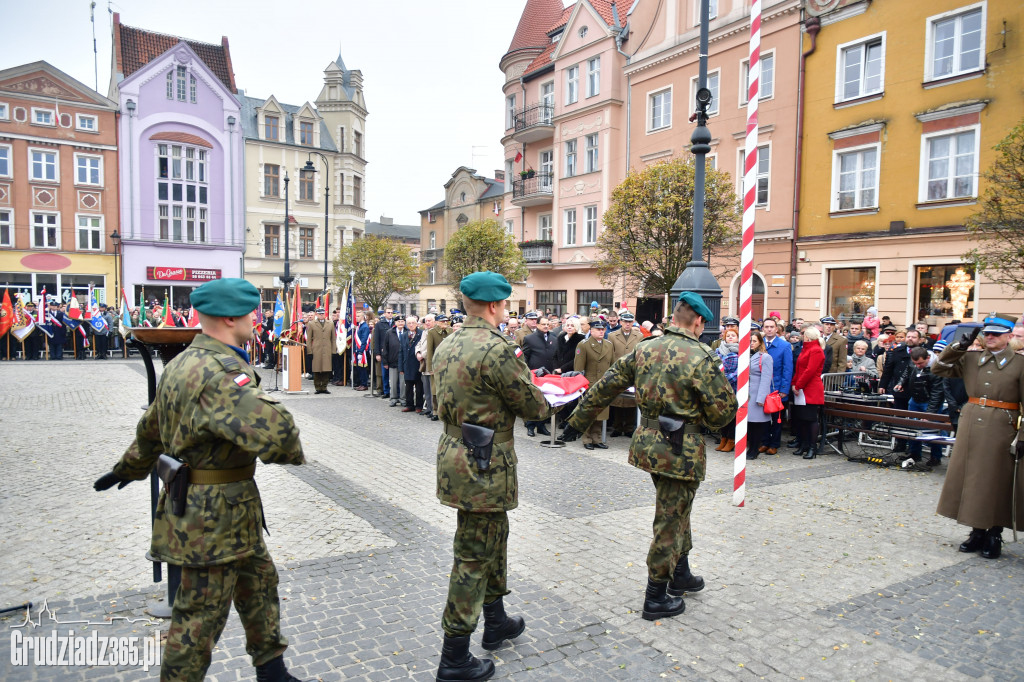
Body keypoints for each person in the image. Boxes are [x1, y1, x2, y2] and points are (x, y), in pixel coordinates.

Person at [92, 278, 304, 681]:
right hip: (214, 517)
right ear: (230, 318)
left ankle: (273, 672)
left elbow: (150, 431)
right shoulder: (222, 372)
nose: (256, 319)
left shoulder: (181, 364)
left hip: (226, 511)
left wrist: (127, 469)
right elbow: (281, 436)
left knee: (259, 586)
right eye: (251, 312)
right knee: (198, 619)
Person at [562, 292, 737, 621]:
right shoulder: (701, 356)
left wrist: (577, 421)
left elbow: (605, 385)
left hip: (648, 446)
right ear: (699, 321)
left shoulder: (645, 347)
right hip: (681, 450)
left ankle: (680, 572)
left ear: (674, 316)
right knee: (670, 519)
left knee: (677, 509)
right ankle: (656, 596)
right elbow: (722, 414)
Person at [431, 271, 551, 681]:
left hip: (455, 455)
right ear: (496, 306)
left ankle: (496, 619)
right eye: (505, 305)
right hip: (484, 462)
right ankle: (454, 656)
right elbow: (534, 407)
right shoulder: (498, 349)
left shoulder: (447, 342)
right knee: (473, 553)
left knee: (491, 535)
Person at [932, 314, 1024, 559]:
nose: (990, 337)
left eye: (996, 334)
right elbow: (938, 367)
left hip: (1002, 427)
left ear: (1009, 336)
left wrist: (1022, 435)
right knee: (970, 479)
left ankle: (994, 532)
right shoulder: (971, 358)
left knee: (994, 481)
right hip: (971, 423)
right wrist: (958, 346)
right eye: (987, 333)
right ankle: (976, 531)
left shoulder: (1019, 363)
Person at [898, 346, 946, 467]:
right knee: (912, 428)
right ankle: (914, 453)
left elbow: (937, 394)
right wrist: (901, 383)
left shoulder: (936, 369)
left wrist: (929, 412)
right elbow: (907, 372)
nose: (918, 366)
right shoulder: (913, 363)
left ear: (928, 358)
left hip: (929, 402)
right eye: (915, 363)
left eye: (920, 363)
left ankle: (936, 456)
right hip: (915, 399)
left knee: (933, 430)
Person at [573, 318, 614, 450]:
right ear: (591, 330)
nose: (601, 332)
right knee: (588, 412)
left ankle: (597, 438)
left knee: (600, 412)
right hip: (589, 383)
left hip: (604, 383)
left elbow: (613, 365)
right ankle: (587, 438)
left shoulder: (608, 344)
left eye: (603, 329)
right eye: (598, 329)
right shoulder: (583, 344)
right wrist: (580, 385)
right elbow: (578, 368)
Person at [759, 318, 793, 455]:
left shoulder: (784, 346)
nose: (769, 329)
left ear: (776, 328)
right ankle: (765, 442)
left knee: (776, 419)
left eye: (771, 327)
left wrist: (784, 389)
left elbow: (788, 369)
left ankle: (774, 444)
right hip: (762, 387)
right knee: (763, 417)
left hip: (777, 387)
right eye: (766, 327)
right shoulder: (759, 344)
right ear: (763, 328)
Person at [791, 325, 826, 459]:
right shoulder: (807, 349)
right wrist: (794, 383)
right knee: (802, 419)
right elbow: (799, 369)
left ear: (807, 336)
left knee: (811, 419)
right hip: (802, 387)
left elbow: (810, 371)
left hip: (810, 388)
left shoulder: (816, 350)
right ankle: (804, 445)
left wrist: (798, 385)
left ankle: (812, 447)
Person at [608, 311, 644, 436]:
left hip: (632, 371)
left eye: (629, 322)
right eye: (625, 321)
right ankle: (617, 427)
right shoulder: (612, 336)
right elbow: (610, 353)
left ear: (633, 322)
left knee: (631, 400)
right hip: (618, 370)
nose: (627, 324)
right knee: (618, 399)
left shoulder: (639, 336)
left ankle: (629, 427)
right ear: (620, 322)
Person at [521, 317, 557, 437]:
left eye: (548, 324)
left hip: (548, 374)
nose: (546, 326)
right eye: (543, 324)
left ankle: (542, 426)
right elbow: (524, 356)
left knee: (545, 401)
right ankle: (531, 426)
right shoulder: (529, 338)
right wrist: (527, 372)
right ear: (537, 325)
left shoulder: (553, 338)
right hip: (535, 374)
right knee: (534, 401)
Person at [746, 331, 775, 460]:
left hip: (757, 394)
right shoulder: (747, 355)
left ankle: (754, 449)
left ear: (760, 342)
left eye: (754, 341)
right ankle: (750, 448)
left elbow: (766, 378)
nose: (751, 344)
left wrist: (761, 398)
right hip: (747, 394)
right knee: (749, 424)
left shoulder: (765, 357)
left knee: (757, 425)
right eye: (750, 341)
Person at [714, 329, 740, 452]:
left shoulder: (741, 351)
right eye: (728, 335)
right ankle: (723, 438)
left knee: (732, 416)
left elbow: (739, 372)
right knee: (722, 415)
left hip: (733, 387)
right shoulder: (718, 350)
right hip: (719, 388)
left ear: (737, 338)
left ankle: (731, 440)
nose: (730, 337)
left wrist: (726, 379)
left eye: (733, 335)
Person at [306, 307, 335, 394]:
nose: (321, 315)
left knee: (326, 369)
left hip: (327, 349)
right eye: (319, 314)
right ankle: (318, 387)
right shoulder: (311, 324)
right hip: (316, 349)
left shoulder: (330, 323)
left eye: (322, 314)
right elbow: (308, 339)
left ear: (324, 314)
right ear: (316, 314)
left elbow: (333, 338)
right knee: (317, 369)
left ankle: (324, 387)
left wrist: (333, 350)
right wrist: (309, 351)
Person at [400, 316, 423, 412]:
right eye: (409, 323)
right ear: (406, 325)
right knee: (408, 386)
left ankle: (419, 406)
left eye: (413, 323)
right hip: (407, 364)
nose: (411, 325)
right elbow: (400, 352)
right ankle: (409, 405)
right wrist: (401, 367)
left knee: (419, 387)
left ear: (417, 324)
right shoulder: (404, 335)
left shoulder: (421, 334)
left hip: (418, 364)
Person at [382, 315, 406, 407]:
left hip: (403, 362)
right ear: (395, 323)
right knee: (393, 381)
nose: (400, 323)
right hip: (392, 361)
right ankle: (393, 398)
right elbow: (385, 347)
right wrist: (385, 361)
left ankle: (403, 398)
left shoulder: (407, 332)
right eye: (398, 321)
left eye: (402, 321)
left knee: (403, 382)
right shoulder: (389, 332)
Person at [373, 309, 393, 398]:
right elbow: (376, 340)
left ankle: (394, 391)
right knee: (384, 373)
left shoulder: (394, 323)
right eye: (388, 312)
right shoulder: (379, 324)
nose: (390, 314)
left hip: (393, 352)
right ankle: (386, 391)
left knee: (393, 373)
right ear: (384, 314)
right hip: (383, 352)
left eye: (391, 313)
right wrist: (377, 353)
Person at [352, 310, 371, 391]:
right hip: (358, 350)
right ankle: (361, 383)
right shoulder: (359, 326)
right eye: (356, 316)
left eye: (358, 316)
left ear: (363, 317)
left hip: (362, 351)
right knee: (359, 368)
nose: (356, 317)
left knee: (362, 368)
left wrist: (360, 351)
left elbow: (364, 340)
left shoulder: (365, 327)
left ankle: (364, 384)